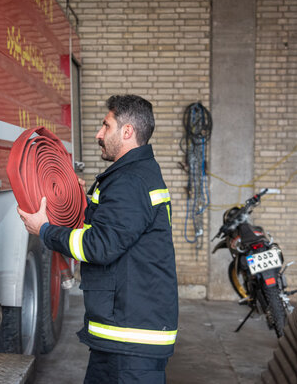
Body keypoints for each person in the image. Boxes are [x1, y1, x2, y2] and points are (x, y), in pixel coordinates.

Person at [18, 94, 178, 384]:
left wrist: (44, 230)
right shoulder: (132, 175)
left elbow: (99, 246)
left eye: (106, 126)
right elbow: (116, 230)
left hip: (131, 343)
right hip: (125, 336)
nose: (98, 134)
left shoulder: (130, 181)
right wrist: (81, 202)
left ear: (127, 132)